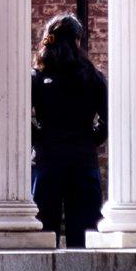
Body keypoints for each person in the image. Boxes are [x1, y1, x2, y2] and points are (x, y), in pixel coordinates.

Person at [29, 13, 106, 247]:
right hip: (82, 159)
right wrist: (91, 140)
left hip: (47, 158)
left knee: (44, 231)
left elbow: (20, 118)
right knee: (83, 233)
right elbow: (108, 118)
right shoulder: (92, 76)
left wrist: (38, 138)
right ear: (76, 41)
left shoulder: (37, 77)